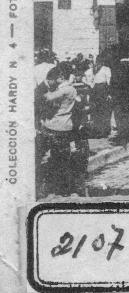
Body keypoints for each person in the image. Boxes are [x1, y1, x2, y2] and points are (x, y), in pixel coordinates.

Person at [36, 65, 80, 196]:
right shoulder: (71, 88)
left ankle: (57, 188)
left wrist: (41, 88)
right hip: (65, 126)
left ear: (61, 77)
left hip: (54, 127)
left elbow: (47, 98)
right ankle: (63, 189)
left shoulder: (65, 89)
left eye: (57, 78)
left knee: (55, 159)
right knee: (61, 159)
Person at [89, 55, 113, 138]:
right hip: (102, 90)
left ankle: (98, 130)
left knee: (97, 110)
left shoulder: (94, 69)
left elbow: (92, 81)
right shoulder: (106, 69)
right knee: (104, 110)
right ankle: (104, 131)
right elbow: (109, 82)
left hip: (96, 90)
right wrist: (109, 93)